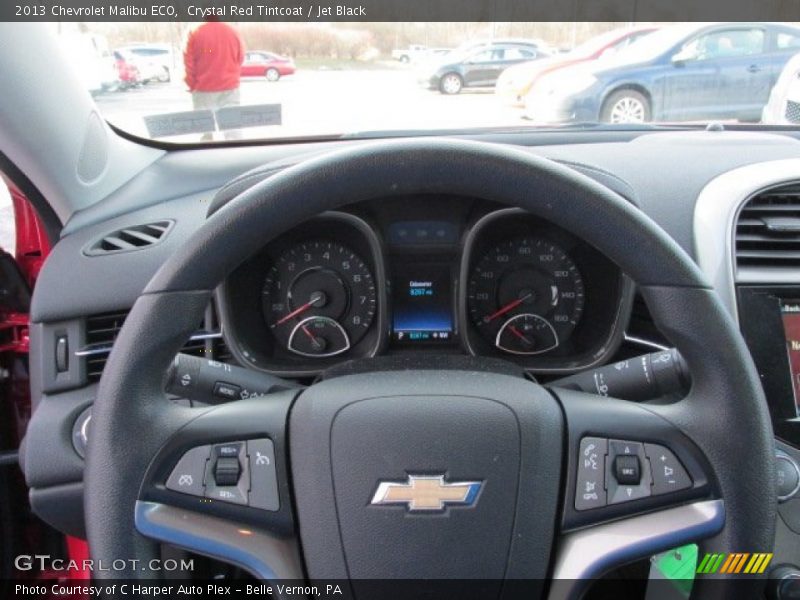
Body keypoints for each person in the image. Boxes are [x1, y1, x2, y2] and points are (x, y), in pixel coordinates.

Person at [183, 19, 245, 139]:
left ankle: (205, 153)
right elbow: (240, 57)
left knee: (204, 131)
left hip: (203, 90)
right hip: (229, 88)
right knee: (232, 129)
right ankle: (235, 153)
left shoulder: (194, 32)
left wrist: (191, 85)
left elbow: (188, 64)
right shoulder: (232, 31)